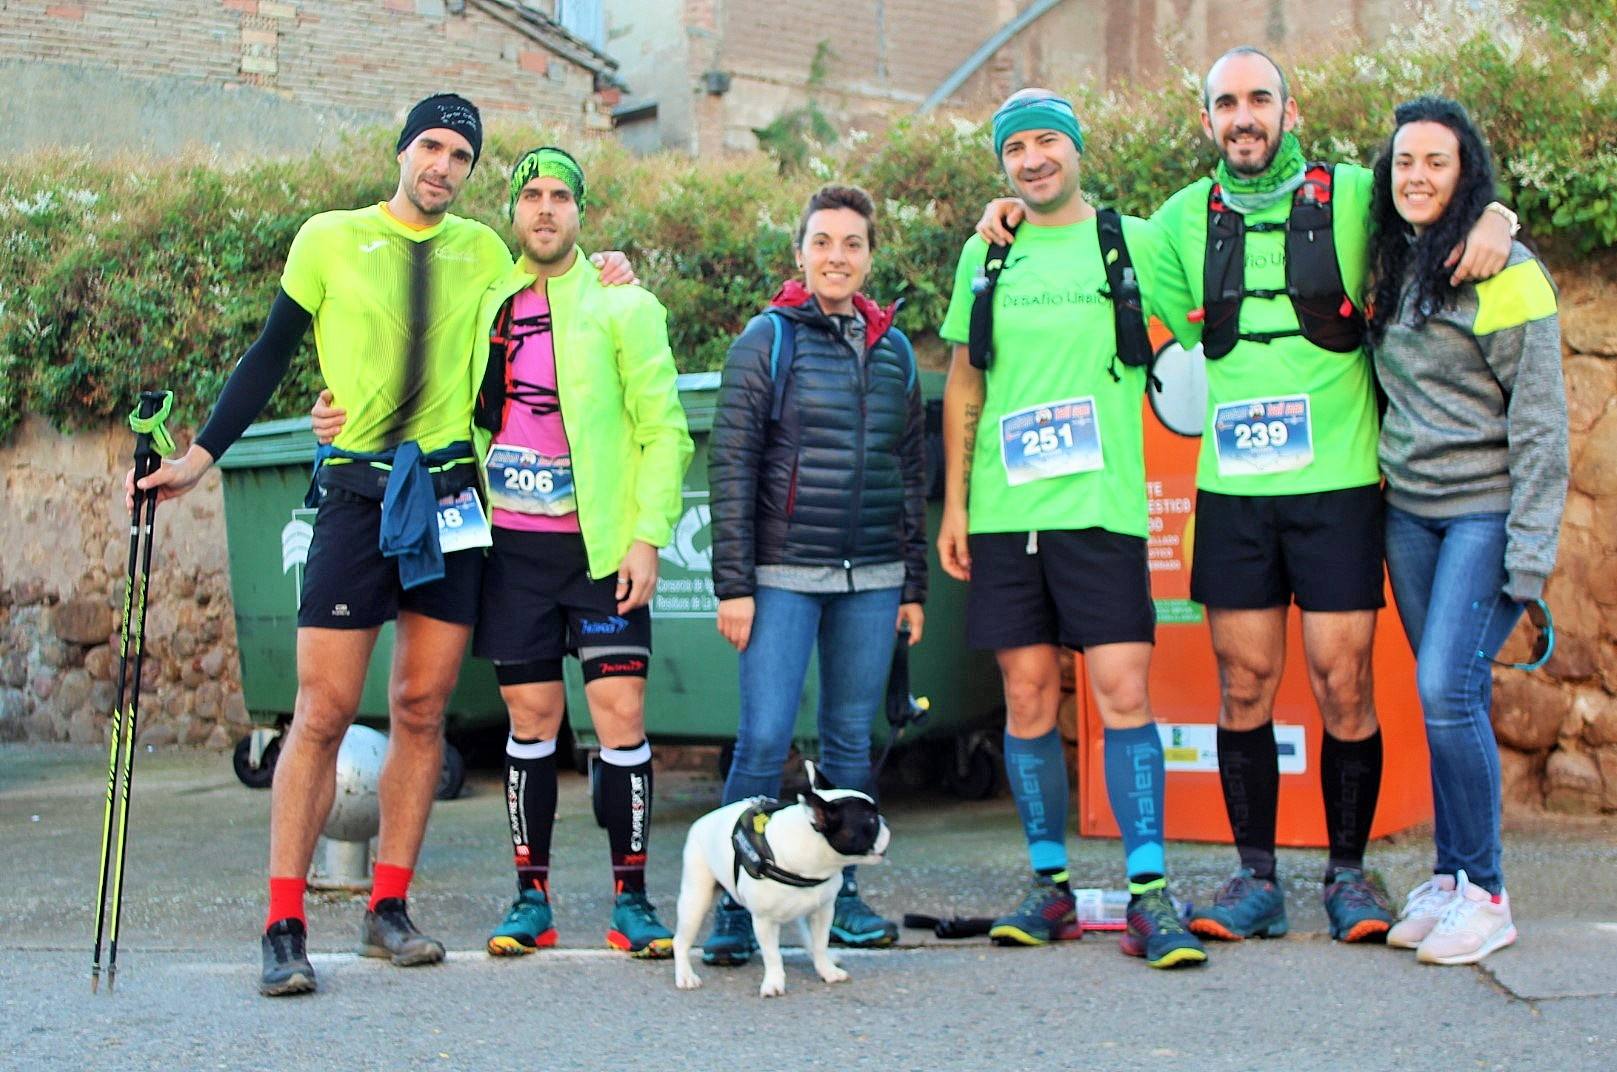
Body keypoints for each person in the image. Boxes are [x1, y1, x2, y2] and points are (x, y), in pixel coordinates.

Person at [975, 47, 1516, 946]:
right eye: (1225, 103)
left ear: (1287, 107)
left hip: (1338, 485)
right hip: (1229, 495)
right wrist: (1006, 216)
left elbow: (1440, 200)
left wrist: (1497, 213)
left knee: (1343, 684)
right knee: (1242, 684)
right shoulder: (1176, 223)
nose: (1243, 116)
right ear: (1206, 122)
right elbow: (1065, 225)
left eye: (1258, 98)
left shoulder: (1352, 192)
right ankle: (1254, 877)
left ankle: (1348, 877)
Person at [130, 96, 633, 997]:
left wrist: (612, 270)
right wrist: (199, 459)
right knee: (320, 712)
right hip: (356, 493)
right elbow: (270, 351)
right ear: (402, 150)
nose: (442, 166)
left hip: (448, 498)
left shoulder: (485, 252)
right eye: (431, 147)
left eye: (460, 156)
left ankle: (387, 910)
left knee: (421, 708)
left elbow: (553, 292)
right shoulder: (327, 236)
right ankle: (283, 921)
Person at [313, 147, 693, 960]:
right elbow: (411, 367)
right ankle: (532, 900)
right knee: (531, 721)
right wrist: (336, 407)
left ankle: (632, 900)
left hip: (598, 556)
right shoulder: (489, 299)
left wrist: (646, 537)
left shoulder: (627, 307)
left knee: (620, 719)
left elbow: (666, 432)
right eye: (532, 198)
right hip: (511, 552)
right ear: (514, 212)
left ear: (580, 212)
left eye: (561, 197)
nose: (546, 211)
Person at [938, 91, 1206, 969]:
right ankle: (1047, 886)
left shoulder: (1128, 243)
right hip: (1007, 515)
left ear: (1076, 150)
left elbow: (1224, 233)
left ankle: (1148, 893)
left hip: (1102, 511)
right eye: (1015, 149)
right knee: (1024, 699)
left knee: (1124, 693)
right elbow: (965, 386)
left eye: (1048, 141)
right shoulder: (986, 250)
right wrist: (955, 507)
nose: (1032, 159)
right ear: (1002, 165)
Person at [702, 184, 928, 965]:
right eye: (823, 242)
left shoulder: (894, 350)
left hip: (871, 575)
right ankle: (738, 898)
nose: (837, 256)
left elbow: (908, 473)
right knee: (763, 740)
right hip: (780, 575)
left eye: (852, 243)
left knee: (848, 742)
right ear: (799, 253)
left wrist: (912, 587)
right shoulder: (765, 341)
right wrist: (733, 584)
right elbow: (729, 468)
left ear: (870, 255)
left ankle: (845, 890)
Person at [1365, 97, 1566, 965]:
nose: (1416, 176)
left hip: (1484, 512)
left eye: (1435, 162)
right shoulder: (1388, 262)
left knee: (1446, 690)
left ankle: (1486, 894)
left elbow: (1541, 423)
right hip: (1408, 513)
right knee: (1448, 698)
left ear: (1464, 172)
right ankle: (1450, 877)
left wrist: (1529, 554)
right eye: (1403, 161)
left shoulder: (1506, 268)